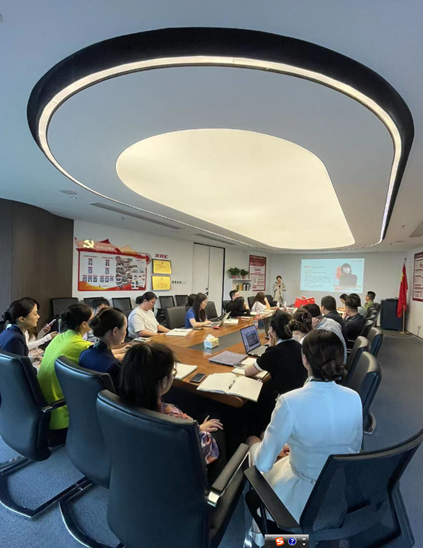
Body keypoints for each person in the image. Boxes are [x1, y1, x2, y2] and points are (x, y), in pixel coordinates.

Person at [247, 330, 363, 541]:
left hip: (300, 498)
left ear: (304, 359)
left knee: (253, 446)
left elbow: (263, 463)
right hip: (336, 494)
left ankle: (273, 541)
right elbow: (352, 450)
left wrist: (257, 446)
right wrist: (301, 447)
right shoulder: (354, 397)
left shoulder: (289, 401)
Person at [119, 343, 222, 466]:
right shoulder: (178, 424)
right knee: (217, 422)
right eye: (173, 372)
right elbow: (206, 448)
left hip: (142, 465)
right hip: (187, 469)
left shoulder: (115, 407)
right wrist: (199, 430)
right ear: (164, 382)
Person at [38, 303, 93, 443]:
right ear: (84, 324)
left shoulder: (60, 337)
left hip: (42, 404)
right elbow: (103, 356)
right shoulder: (81, 345)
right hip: (58, 412)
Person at [244, 313, 307, 427]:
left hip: (282, 400)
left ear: (271, 330)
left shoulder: (274, 353)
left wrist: (271, 346)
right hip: (299, 397)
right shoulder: (299, 346)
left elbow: (247, 372)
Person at [79, 307, 127, 389]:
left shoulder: (84, 354)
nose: (125, 332)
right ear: (115, 331)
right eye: (125, 329)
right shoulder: (114, 367)